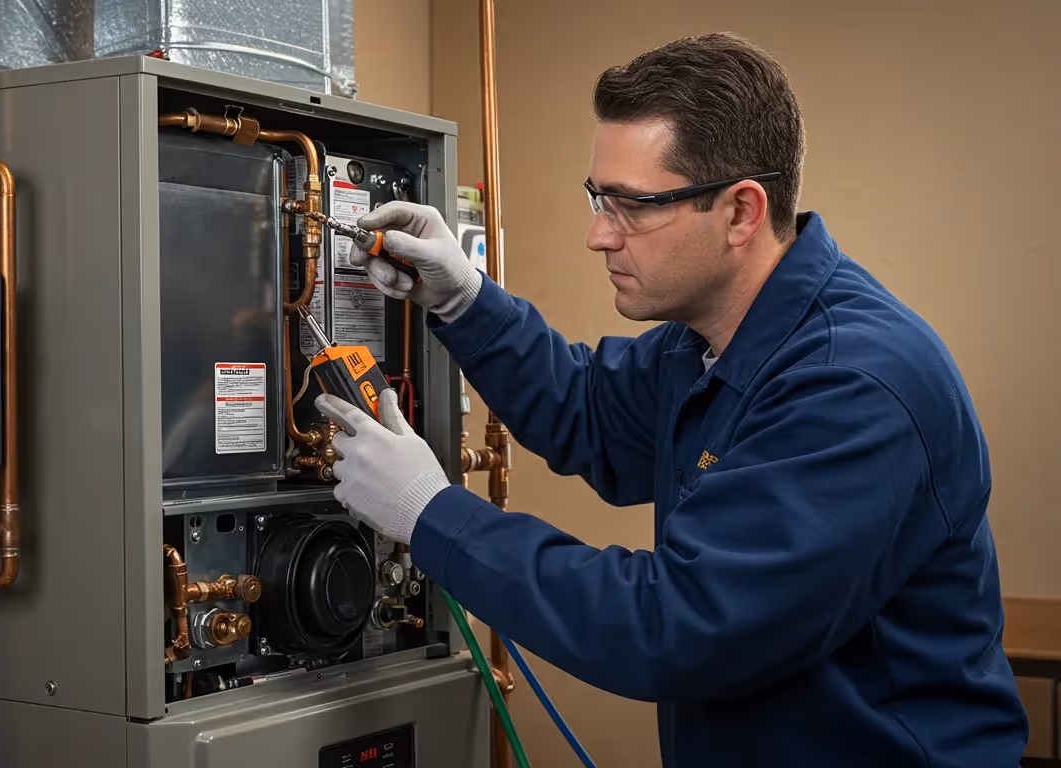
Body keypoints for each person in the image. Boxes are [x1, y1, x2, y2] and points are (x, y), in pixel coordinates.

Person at [313, 32, 1028, 768]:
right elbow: (588, 413)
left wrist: (431, 514)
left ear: (741, 212)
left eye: (630, 206)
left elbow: (676, 626)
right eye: (597, 199)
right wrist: (466, 300)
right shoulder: (710, 337)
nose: (598, 236)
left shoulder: (855, 386)